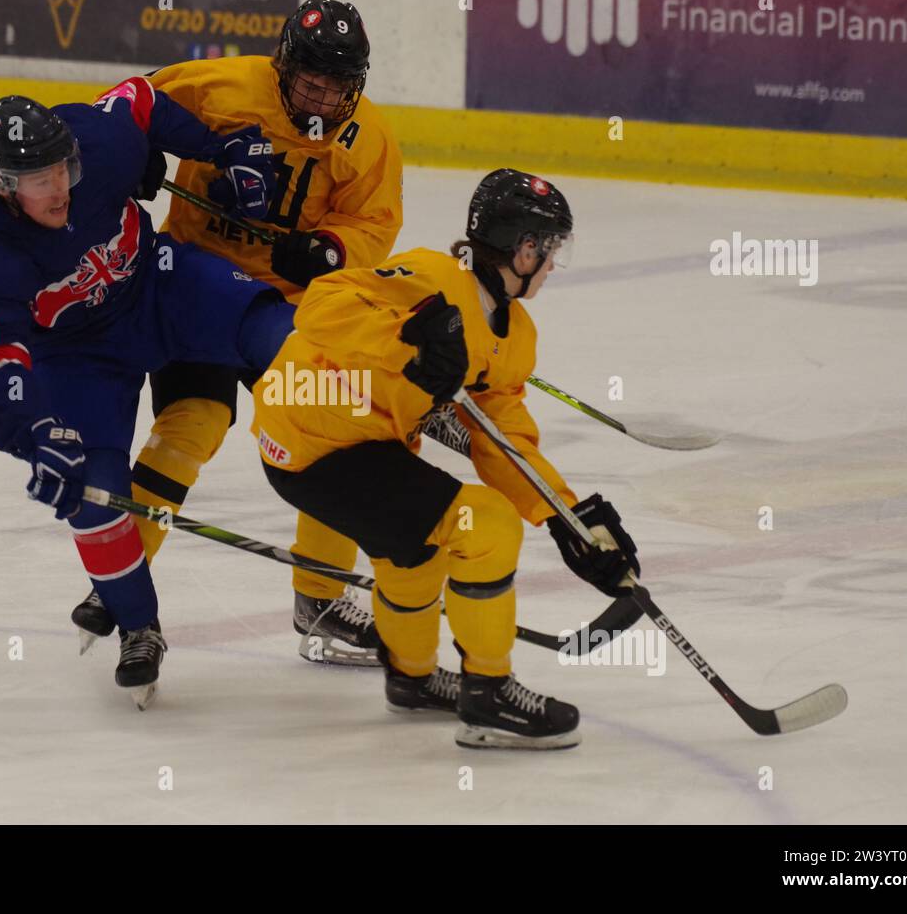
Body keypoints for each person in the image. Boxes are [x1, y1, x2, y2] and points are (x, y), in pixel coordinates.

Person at [250, 169, 642, 748]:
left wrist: (568, 516)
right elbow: (322, 303)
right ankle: (489, 693)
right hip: (310, 436)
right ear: (524, 248)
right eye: (551, 248)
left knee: (416, 551)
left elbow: (502, 439)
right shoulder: (432, 277)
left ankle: (410, 680)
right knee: (483, 525)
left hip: (370, 444)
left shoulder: (515, 334)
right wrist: (407, 338)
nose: (554, 264)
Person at [0, 88, 294, 708]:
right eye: (38, 179)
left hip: (157, 286)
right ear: (0, 182)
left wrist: (220, 149)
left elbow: (142, 102)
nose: (59, 188)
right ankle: (138, 627)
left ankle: (401, 406)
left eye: (62, 170)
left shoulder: (95, 142)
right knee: (92, 490)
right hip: (79, 360)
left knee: (278, 332)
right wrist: (34, 435)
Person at [123, 0, 405, 665]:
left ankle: (322, 599)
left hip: (293, 312)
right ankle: (126, 596)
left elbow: (374, 224)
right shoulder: (222, 85)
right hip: (198, 290)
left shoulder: (368, 138)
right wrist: (131, 158)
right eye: (312, 81)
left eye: (339, 86)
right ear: (284, 66)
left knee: (336, 437)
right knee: (189, 426)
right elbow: (127, 109)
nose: (324, 96)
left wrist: (329, 250)